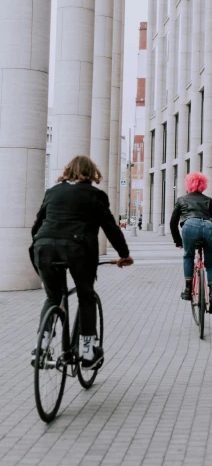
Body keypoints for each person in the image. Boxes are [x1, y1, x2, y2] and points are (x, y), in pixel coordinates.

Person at [31, 156, 134, 369]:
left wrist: (40, 243)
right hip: (77, 250)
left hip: (43, 247)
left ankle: (41, 346)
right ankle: (87, 352)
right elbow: (110, 228)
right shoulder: (95, 195)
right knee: (86, 295)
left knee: (53, 297)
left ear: (67, 171)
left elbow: (37, 225)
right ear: (92, 174)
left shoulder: (53, 191)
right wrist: (124, 254)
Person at [170, 172, 212, 313]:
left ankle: (188, 289)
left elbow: (173, 222)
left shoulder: (181, 200)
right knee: (211, 264)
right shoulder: (208, 200)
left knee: (188, 256)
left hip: (190, 227)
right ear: (203, 185)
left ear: (188, 184)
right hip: (209, 227)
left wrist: (178, 241)